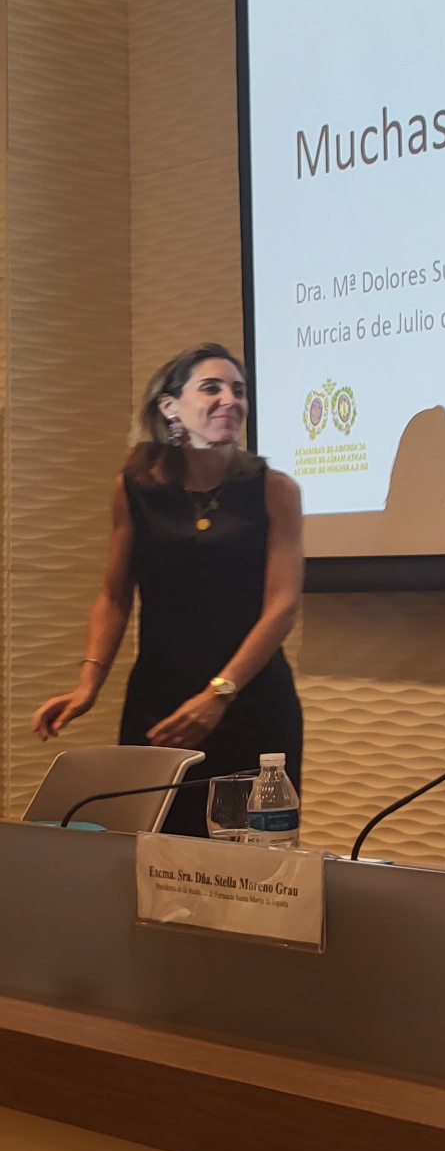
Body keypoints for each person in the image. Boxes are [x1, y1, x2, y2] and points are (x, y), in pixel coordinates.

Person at [32, 343, 305, 837]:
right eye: (211, 388)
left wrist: (219, 694)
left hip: (250, 702)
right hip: (159, 702)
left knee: (251, 860)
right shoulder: (136, 487)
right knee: (153, 851)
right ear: (170, 406)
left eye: (238, 390)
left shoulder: (274, 489)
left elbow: (282, 607)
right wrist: (88, 685)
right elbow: (114, 596)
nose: (230, 400)